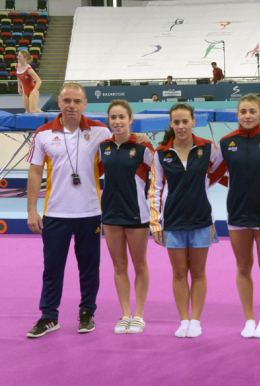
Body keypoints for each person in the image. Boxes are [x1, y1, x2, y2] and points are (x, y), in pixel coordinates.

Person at [25, 83, 112, 338]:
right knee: (52, 268)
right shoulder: (42, 133)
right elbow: (35, 172)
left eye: (76, 101)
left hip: (90, 212)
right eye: (66, 101)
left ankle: (87, 312)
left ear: (85, 104)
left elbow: (119, 149)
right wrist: (32, 210)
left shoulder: (100, 131)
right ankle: (49, 316)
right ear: (59, 103)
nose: (71, 105)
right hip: (55, 213)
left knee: (89, 267)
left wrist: (137, 139)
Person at [149, 103, 221, 338]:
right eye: (176, 122)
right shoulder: (161, 153)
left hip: (202, 219)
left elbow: (221, 171)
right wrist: (156, 223)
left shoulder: (208, 148)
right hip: (173, 220)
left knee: (198, 271)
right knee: (179, 272)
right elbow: (155, 189)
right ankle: (183, 320)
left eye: (184, 121)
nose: (180, 126)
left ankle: (196, 321)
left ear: (193, 122)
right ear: (171, 124)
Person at [213, 95, 260, 338]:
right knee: (243, 267)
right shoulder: (226, 142)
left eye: (252, 111)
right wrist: (237, 184)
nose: (248, 115)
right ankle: (249, 318)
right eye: (243, 112)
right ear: (237, 115)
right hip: (237, 212)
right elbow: (212, 173)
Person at [99, 100, 154, 334]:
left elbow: (162, 174)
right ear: (108, 121)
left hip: (137, 213)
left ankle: (139, 315)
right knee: (119, 265)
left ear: (130, 119)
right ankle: (125, 314)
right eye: (113, 118)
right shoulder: (103, 147)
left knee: (139, 264)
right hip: (110, 213)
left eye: (122, 117)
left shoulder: (143, 148)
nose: (118, 122)